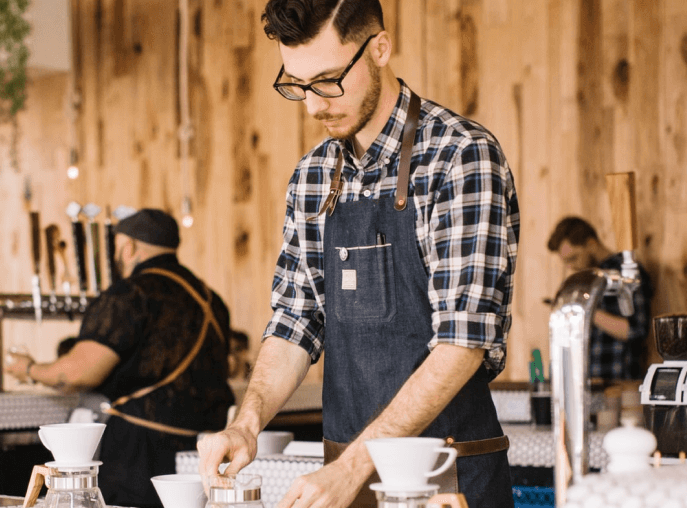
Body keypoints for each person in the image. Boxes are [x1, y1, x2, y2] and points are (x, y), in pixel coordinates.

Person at [197, 1, 520, 507]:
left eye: (328, 80)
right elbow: (295, 322)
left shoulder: (460, 157)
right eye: (297, 85)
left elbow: (463, 342)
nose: (313, 105)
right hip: (343, 481)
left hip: (446, 480)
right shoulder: (312, 176)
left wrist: (354, 466)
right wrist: (247, 422)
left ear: (380, 49)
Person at [6, 209, 235, 508]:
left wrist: (28, 368)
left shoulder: (131, 293)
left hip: (139, 456)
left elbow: (75, 374)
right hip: (203, 453)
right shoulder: (211, 299)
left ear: (128, 248)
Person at [547, 216, 654, 381]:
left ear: (591, 244)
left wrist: (584, 308)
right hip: (587, 386)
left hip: (620, 385)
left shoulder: (627, 273)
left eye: (573, 258)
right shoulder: (585, 279)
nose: (570, 267)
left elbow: (636, 331)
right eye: (566, 262)